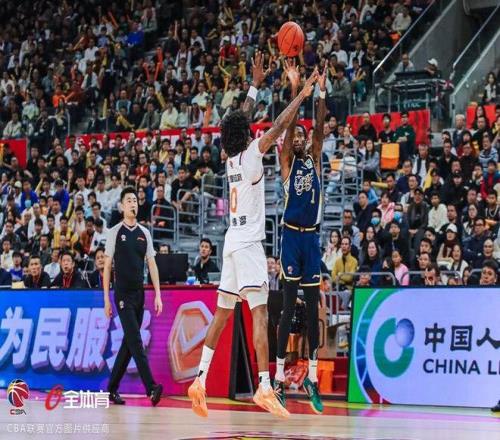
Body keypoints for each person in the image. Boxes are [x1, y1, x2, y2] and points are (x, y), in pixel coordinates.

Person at [188, 52, 317, 419]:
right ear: (245, 134)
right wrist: (301, 93)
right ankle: (263, 386)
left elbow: (240, 118)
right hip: (247, 245)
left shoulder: (230, 157)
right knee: (259, 314)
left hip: (231, 241)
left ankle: (199, 379)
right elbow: (279, 125)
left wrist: (256, 85)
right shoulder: (251, 155)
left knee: (222, 315)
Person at [274, 60, 326, 414]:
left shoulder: (315, 158)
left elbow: (319, 126)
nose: (300, 138)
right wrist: (296, 90)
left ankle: (313, 379)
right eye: (296, 137)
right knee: (287, 308)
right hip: (292, 239)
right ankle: (279, 379)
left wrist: (320, 91)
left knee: (313, 311)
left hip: (312, 240)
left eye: (303, 136)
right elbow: (290, 125)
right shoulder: (287, 164)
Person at [103, 187, 163, 406]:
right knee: (136, 341)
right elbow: (107, 267)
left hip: (139, 294)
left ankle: (111, 389)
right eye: (129, 200)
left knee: (129, 344)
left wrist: (157, 295)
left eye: (135, 200)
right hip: (122, 294)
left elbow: (152, 265)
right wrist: (106, 299)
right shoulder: (114, 232)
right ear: (122, 206)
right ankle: (151, 387)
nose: (133, 203)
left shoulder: (144, 233)